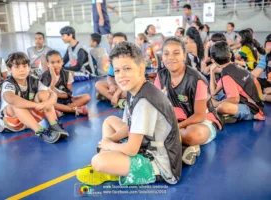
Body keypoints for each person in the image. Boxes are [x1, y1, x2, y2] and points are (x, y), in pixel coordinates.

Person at [76, 41, 182, 186]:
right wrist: (109, 141)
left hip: (160, 163)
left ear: (140, 69)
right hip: (146, 142)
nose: (121, 76)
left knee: (98, 161)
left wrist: (110, 146)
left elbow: (132, 150)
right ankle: (114, 164)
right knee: (110, 121)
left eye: (127, 68)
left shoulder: (145, 102)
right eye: (117, 70)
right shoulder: (135, 90)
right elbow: (128, 126)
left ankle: (111, 170)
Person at [154, 37, 223, 165]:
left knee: (193, 135)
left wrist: (174, 127)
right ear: (162, 56)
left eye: (176, 53)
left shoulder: (196, 79)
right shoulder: (160, 76)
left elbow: (200, 115)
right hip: (176, 121)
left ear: (184, 56)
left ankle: (183, 143)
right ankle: (186, 147)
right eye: (166, 53)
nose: (170, 57)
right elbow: (158, 107)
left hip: (202, 121)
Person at [0, 52, 69, 143]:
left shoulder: (33, 80)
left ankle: (54, 125)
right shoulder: (8, 83)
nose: (22, 70)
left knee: (44, 94)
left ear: (29, 67)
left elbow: (53, 94)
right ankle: (41, 132)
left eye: (25, 66)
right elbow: (11, 99)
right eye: (17, 67)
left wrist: (48, 102)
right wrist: (35, 105)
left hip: (28, 121)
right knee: (16, 103)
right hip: (11, 124)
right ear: (9, 69)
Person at [209, 41, 265, 122]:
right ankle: (228, 115)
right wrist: (212, 72)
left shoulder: (227, 75)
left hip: (252, 109)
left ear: (213, 60)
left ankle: (227, 115)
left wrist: (216, 104)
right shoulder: (234, 67)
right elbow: (213, 92)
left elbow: (234, 99)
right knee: (210, 98)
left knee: (221, 107)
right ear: (230, 55)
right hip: (257, 103)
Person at [40, 50, 90, 116]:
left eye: (58, 62)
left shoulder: (67, 74)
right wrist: (53, 79)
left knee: (87, 97)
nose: (56, 65)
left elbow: (68, 94)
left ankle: (62, 111)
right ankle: (75, 110)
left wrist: (57, 94)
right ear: (48, 64)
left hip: (66, 101)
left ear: (62, 62)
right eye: (52, 62)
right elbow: (46, 96)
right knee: (49, 104)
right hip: (54, 102)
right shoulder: (44, 76)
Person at [95, 32, 127, 108]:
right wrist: (111, 85)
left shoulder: (129, 59)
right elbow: (110, 76)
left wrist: (116, 94)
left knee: (125, 93)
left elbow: (131, 81)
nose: (117, 46)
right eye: (114, 43)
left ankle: (111, 97)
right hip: (119, 85)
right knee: (98, 84)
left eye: (121, 43)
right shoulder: (113, 59)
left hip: (128, 85)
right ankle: (116, 100)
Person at [251, 34, 271, 102]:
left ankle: (261, 97)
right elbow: (254, 74)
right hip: (268, 84)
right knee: (252, 82)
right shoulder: (267, 57)